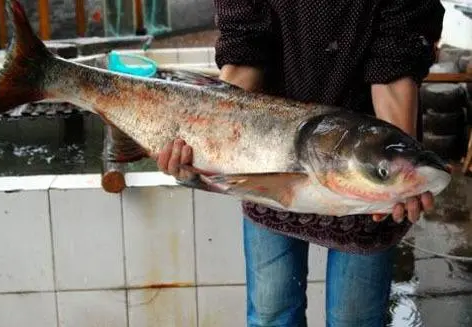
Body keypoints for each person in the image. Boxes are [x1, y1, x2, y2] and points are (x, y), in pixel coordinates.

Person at [154, 0, 445, 326]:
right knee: (272, 315)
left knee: (355, 320)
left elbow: (395, 61)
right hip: (269, 160)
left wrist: (398, 167)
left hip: (362, 170)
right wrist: (199, 140)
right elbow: (245, 49)